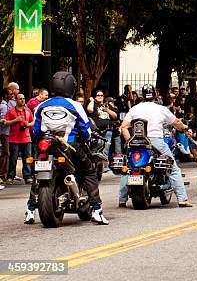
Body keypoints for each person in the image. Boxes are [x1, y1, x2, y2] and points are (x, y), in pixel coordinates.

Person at [25, 72, 108, 225]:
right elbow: (85, 128)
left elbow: (36, 130)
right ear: (71, 87)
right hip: (69, 145)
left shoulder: (41, 105)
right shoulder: (74, 105)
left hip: (46, 144)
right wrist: (86, 139)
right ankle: (96, 210)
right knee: (89, 171)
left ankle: (30, 210)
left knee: (39, 173)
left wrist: (39, 142)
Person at [118, 84, 192, 208]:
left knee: (129, 167)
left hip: (137, 143)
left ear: (142, 95)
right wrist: (184, 127)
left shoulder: (135, 109)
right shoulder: (160, 109)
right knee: (173, 168)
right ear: (155, 95)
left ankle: (122, 199)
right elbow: (176, 122)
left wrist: (130, 141)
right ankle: (182, 199)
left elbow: (123, 127)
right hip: (155, 141)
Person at [5, 93, 35, 185]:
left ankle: (28, 176)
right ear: (16, 100)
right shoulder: (11, 111)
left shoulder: (28, 110)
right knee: (13, 159)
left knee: (27, 159)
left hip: (26, 139)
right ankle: (10, 177)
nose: (22, 100)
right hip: (14, 139)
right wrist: (15, 120)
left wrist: (28, 125)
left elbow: (33, 122)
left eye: (23, 98)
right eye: (20, 99)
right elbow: (5, 123)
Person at [87, 90, 118, 166]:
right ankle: (95, 165)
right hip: (96, 131)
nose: (100, 96)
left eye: (102, 95)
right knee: (96, 147)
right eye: (98, 95)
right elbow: (90, 110)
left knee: (106, 148)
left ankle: (104, 166)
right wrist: (91, 101)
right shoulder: (93, 104)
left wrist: (107, 110)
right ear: (95, 96)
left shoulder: (106, 105)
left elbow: (115, 116)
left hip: (107, 130)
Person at [0, 88, 12, 187]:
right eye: (10, 94)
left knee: (6, 153)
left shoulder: (7, 104)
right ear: (5, 95)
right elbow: (3, 122)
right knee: (5, 153)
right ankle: (2, 174)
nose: (12, 96)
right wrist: (15, 120)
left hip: (6, 132)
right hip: (3, 133)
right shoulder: (4, 106)